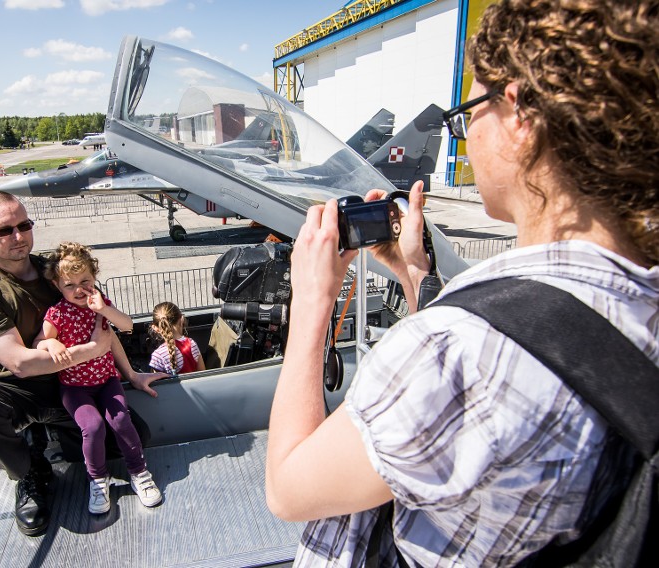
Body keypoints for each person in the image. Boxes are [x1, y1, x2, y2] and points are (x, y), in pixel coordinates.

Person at [265, 0, 658, 566]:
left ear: (519, 112)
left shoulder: (458, 351)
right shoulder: (639, 301)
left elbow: (288, 487)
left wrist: (311, 304)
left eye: (470, 109)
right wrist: (414, 273)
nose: (464, 133)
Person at [0, 191, 165, 537]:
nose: (18, 237)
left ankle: (63, 436)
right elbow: (21, 363)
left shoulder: (60, 272)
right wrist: (94, 350)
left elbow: (107, 325)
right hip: (14, 387)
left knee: (135, 436)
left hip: (69, 382)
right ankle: (29, 472)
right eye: (4, 230)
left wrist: (130, 374)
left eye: (24, 225)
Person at [37, 242, 162, 514]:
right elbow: (40, 342)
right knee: (92, 427)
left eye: (85, 281)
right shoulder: (56, 314)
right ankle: (97, 479)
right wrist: (52, 345)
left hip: (106, 380)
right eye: (69, 285)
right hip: (74, 387)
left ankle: (139, 472)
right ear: (58, 285)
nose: (78, 290)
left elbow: (126, 325)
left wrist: (103, 309)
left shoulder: (100, 304)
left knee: (121, 420)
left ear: (94, 278)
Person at [148, 301, 205, 375]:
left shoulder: (158, 355)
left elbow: (157, 384)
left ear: (155, 328)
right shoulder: (191, 343)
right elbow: (203, 372)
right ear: (181, 319)